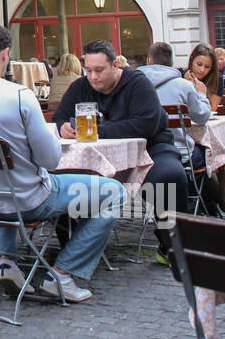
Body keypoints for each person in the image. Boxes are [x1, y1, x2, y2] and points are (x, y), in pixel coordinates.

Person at [0, 27, 124, 303]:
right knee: (115, 193)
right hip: (29, 199)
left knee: (4, 184)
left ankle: (7, 263)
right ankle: (63, 274)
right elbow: (51, 160)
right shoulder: (19, 96)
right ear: (6, 54)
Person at [55, 38, 184, 265]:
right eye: (89, 70)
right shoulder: (80, 86)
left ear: (115, 66)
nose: (93, 77)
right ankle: (74, 245)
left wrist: (98, 130)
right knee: (68, 178)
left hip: (149, 150)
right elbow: (59, 118)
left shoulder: (137, 84)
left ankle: (173, 245)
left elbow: (147, 124)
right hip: (95, 159)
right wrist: (63, 127)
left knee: (169, 176)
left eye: (99, 70)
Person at [138, 42, 211, 167]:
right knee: (210, 154)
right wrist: (202, 95)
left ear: (149, 60)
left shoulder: (134, 84)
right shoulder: (184, 85)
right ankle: (192, 186)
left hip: (143, 155)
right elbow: (202, 117)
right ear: (171, 63)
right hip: (180, 153)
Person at [184, 43, 221, 111]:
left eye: (207, 67)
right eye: (199, 64)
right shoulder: (181, 76)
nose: (202, 70)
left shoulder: (217, 79)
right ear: (192, 60)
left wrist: (200, 92)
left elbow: (211, 110)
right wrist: (188, 85)